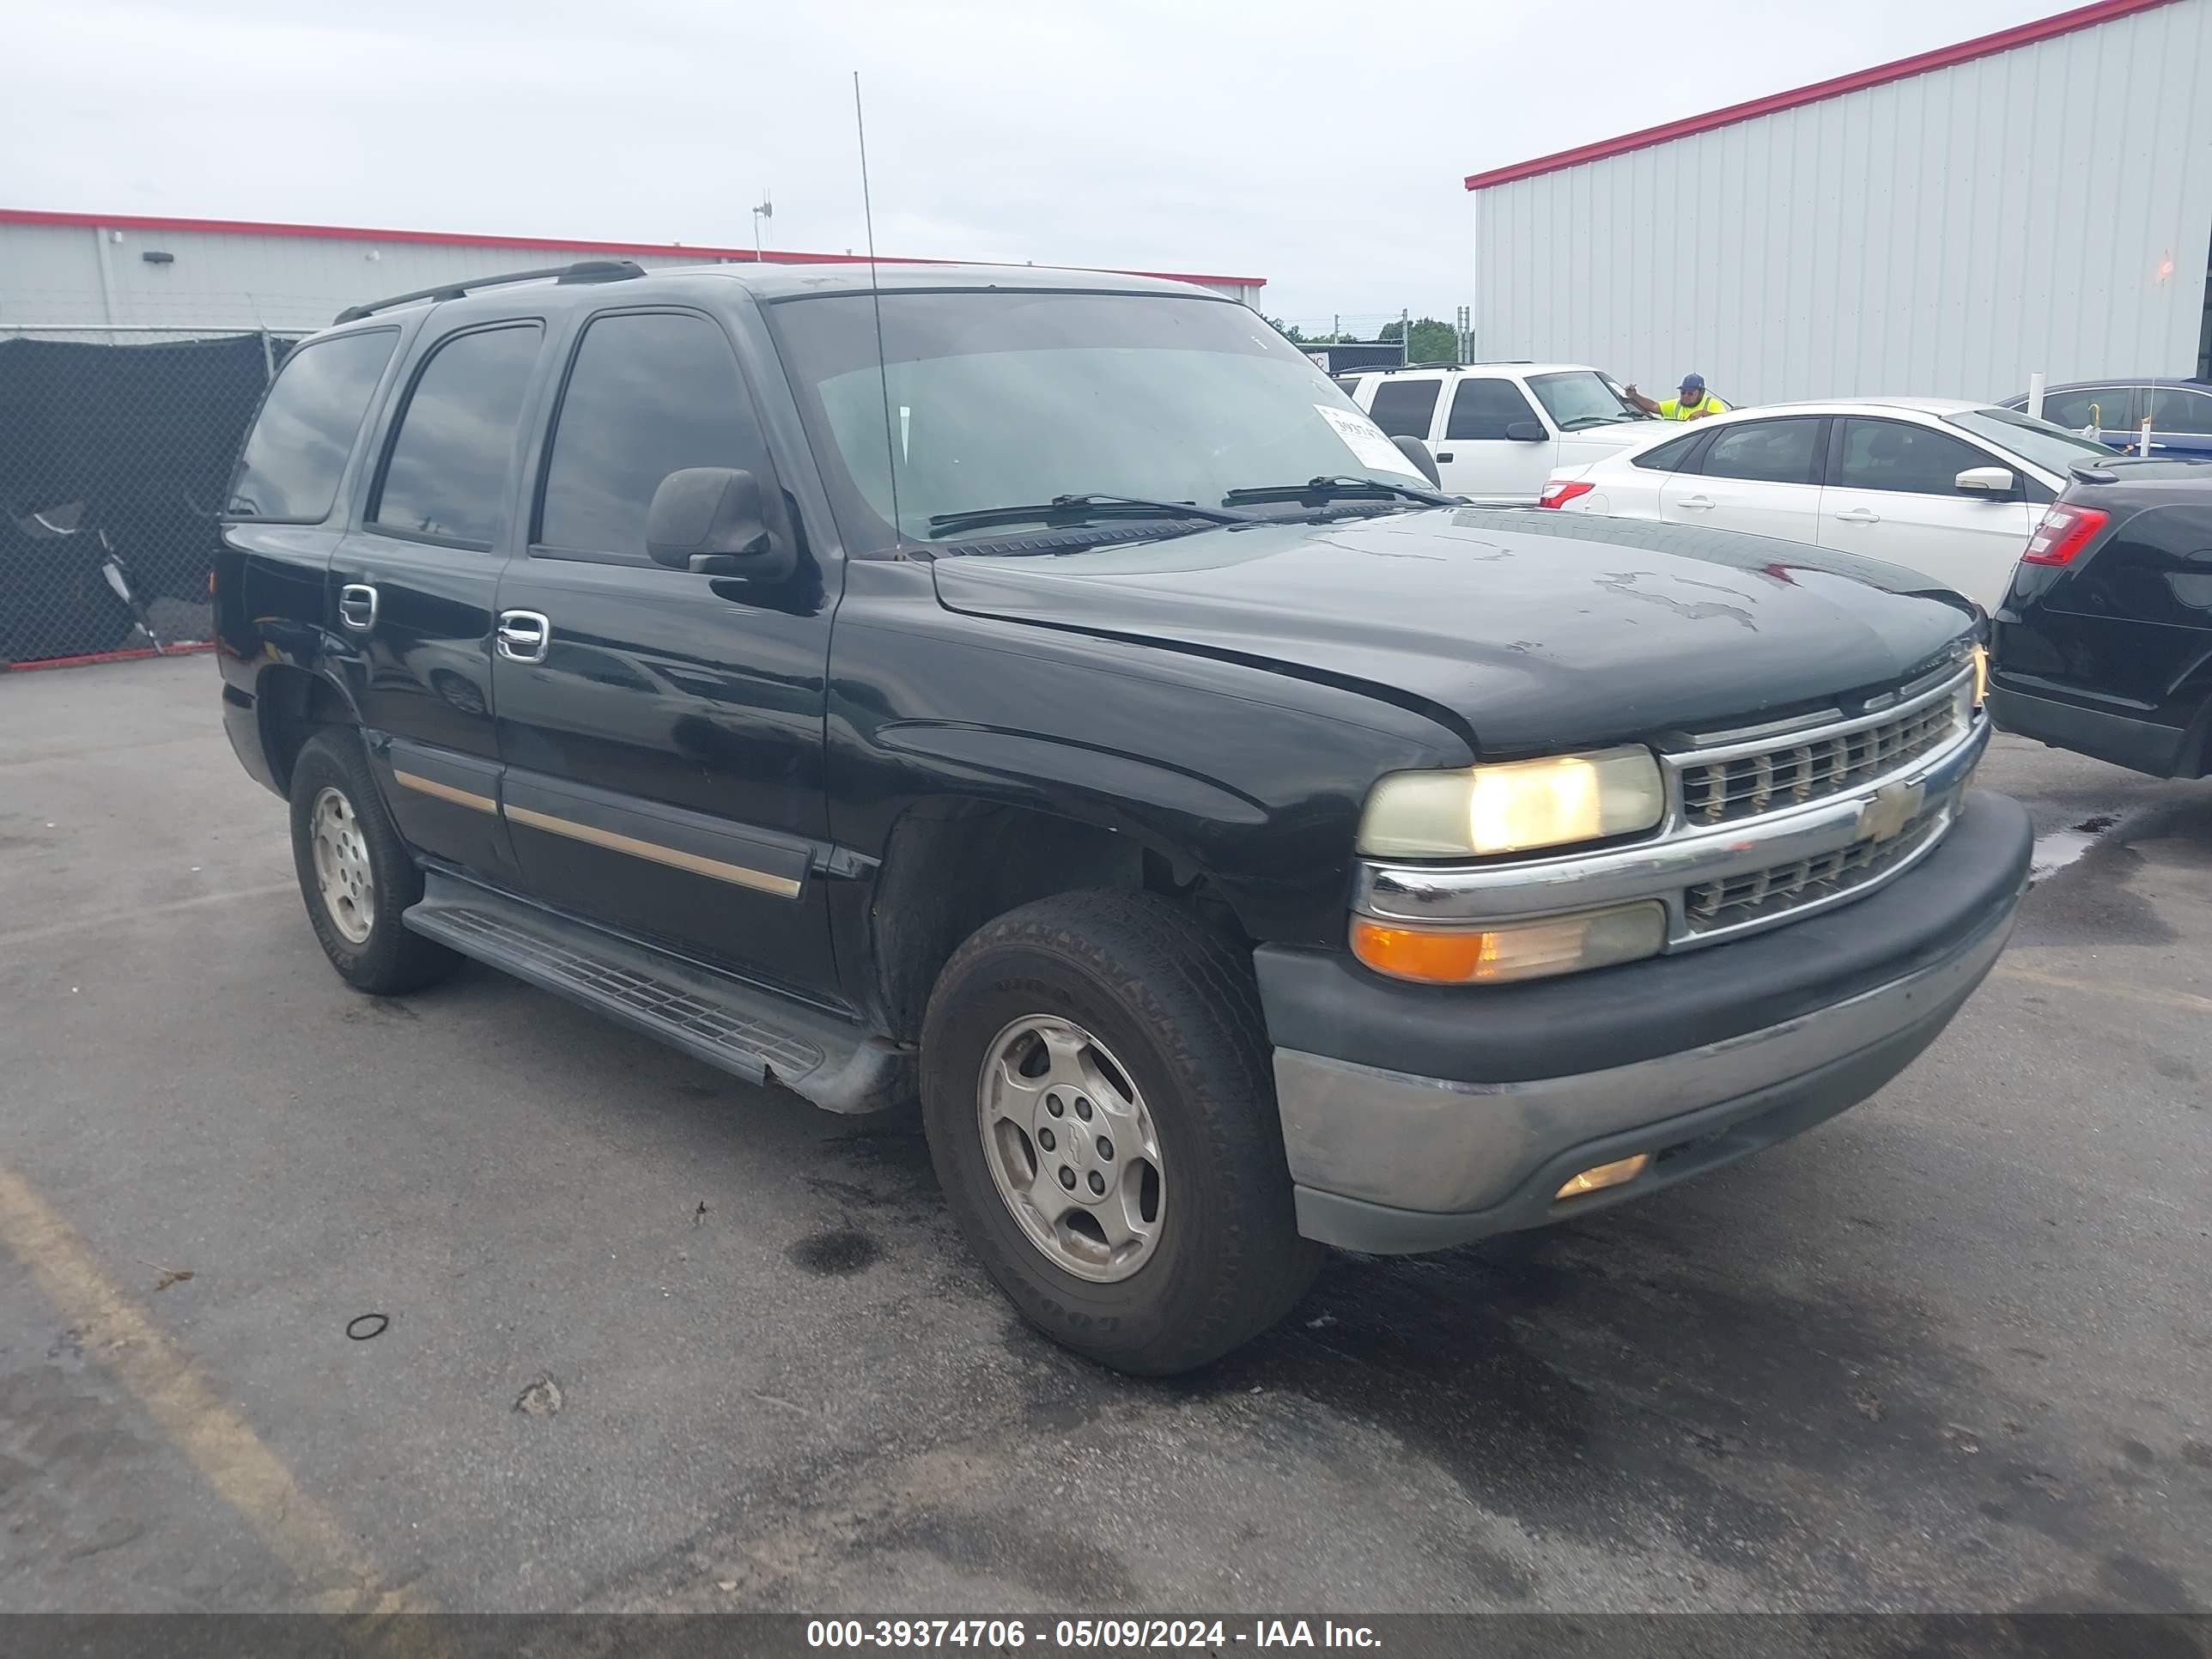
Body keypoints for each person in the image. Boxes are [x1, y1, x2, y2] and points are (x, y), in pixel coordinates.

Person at [1624, 373, 1728, 421]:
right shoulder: (1676, 404)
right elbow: (1653, 406)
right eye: (1683, 392)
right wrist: (1634, 396)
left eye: (1690, 394)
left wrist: (1705, 414)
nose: (1685, 396)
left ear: (1701, 393)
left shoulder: (1711, 404)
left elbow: (1726, 421)